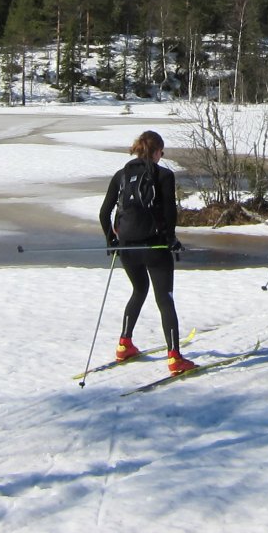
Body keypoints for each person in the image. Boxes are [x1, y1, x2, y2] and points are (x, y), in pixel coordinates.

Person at [99, 130, 195, 374]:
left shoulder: (121, 175)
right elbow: (170, 212)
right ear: (156, 151)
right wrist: (171, 239)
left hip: (127, 248)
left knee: (139, 290)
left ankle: (124, 344)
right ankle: (175, 358)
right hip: (155, 247)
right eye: (162, 152)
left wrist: (112, 240)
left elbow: (104, 213)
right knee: (165, 299)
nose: (162, 155)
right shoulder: (164, 175)